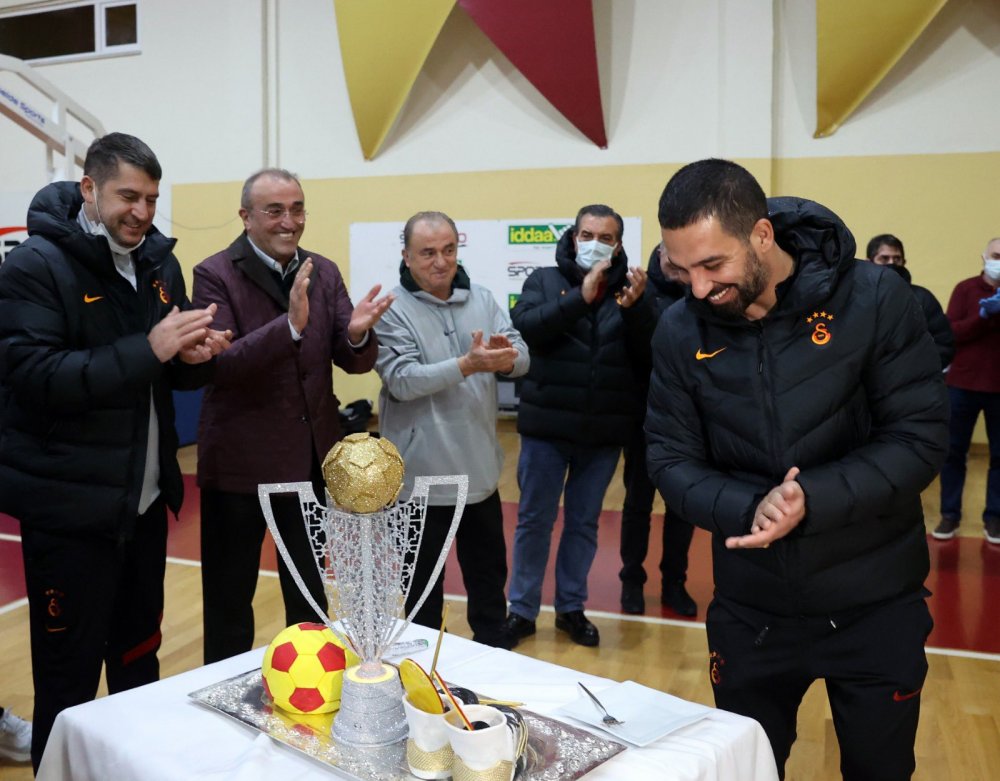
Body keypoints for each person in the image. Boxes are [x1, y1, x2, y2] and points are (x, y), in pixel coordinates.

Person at [647, 159, 948, 780]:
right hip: (752, 611)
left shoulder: (873, 298)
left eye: (713, 266)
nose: (698, 289)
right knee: (748, 771)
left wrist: (812, 497)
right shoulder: (680, 330)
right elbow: (670, 459)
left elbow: (918, 438)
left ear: (762, 235)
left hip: (875, 604)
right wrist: (747, 506)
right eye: (682, 270)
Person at [0, 132, 230, 771]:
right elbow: (36, 376)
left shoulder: (159, 262)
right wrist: (151, 348)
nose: (143, 212)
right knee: (68, 684)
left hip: (143, 507)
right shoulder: (35, 266)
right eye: (129, 195)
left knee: (139, 665)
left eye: (152, 198)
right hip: (71, 515)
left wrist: (193, 360)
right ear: (89, 190)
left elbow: (162, 372)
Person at [192, 168, 393, 663]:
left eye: (297, 208)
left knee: (307, 599)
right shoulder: (213, 273)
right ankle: (221, 698)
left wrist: (360, 334)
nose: (289, 221)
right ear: (246, 217)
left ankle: (309, 693)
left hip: (307, 465)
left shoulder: (322, 271)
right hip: (239, 468)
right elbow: (220, 367)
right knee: (229, 603)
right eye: (274, 210)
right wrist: (289, 327)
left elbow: (352, 359)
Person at [374, 211, 529, 648]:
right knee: (423, 598)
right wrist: (469, 364)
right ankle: (423, 678)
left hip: (479, 476)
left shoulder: (481, 297)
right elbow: (402, 381)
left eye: (448, 250)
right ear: (406, 255)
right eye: (427, 253)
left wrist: (506, 359)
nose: (441, 262)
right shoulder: (391, 310)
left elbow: (522, 354)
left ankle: (492, 664)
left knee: (489, 587)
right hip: (419, 484)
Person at [504, 205, 656, 647]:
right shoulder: (543, 281)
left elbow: (653, 354)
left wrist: (638, 310)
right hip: (546, 429)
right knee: (534, 520)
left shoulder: (632, 288)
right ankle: (522, 610)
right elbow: (526, 328)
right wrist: (577, 299)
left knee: (584, 524)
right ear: (573, 237)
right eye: (587, 234)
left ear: (619, 244)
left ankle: (571, 607)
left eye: (606, 237)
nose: (595, 243)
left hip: (604, 432)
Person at [619, 243, 696, 616]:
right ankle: (631, 581)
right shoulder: (637, 296)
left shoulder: (702, 297)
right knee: (637, 505)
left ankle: (674, 583)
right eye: (666, 253)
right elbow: (641, 350)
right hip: (642, 421)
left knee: (682, 508)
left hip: (690, 424)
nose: (672, 259)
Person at [933, 238, 1000, 544]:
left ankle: (994, 518)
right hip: (961, 385)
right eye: (996, 255)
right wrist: (983, 317)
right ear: (984, 257)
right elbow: (952, 332)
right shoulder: (965, 289)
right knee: (953, 453)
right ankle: (950, 515)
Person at [865, 234, 953, 369]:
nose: (891, 263)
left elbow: (944, 343)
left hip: (913, 384)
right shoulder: (859, 298)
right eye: (884, 258)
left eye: (897, 259)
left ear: (904, 262)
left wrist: (918, 370)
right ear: (869, 262)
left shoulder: (923, 298)